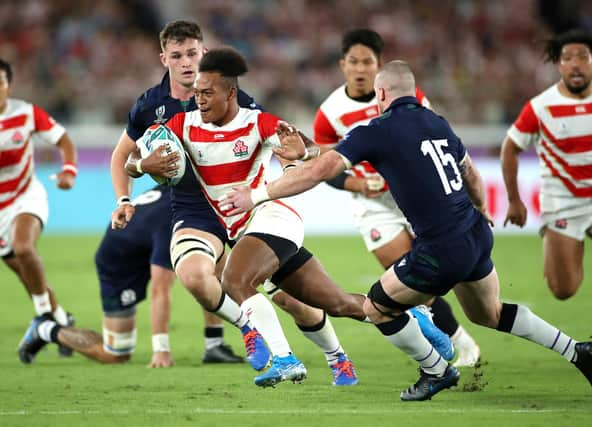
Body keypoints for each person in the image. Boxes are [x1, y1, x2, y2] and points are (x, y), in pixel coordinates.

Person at [221, 60, 592, 400]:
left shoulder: (378, 129)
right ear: (414, 93)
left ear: (381, 94)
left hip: (440, 248)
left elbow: (323, 172)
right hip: (476, 234)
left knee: (377, 307)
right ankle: (577, 351)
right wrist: (480, 209)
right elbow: (472, 176)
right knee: (489, 313)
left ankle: (435, 370)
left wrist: (257, 194)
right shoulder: (437, 122)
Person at [108, 22, 367, 386]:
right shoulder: (151, 105)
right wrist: (127, 193)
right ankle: (252, 330)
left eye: (193, 54)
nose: (186, 62)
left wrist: (293, 164)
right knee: (196, 276)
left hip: (246, 208)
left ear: (204, 54)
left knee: (296, 300)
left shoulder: (236, 101)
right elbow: (124, 158)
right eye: (178, 55)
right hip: (194, 210)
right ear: (164, 58)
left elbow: (286, 142)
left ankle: (336, 356)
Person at [313, 28, 480, 367]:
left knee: (445, 271)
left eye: (368, 62)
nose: (361, 69)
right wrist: (359, 186)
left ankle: (452, 342)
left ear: (378, 65)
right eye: (354, 62)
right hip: (375, 207)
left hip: (421, 196)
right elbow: (326, 168)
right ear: (343, 64)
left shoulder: (405, 97)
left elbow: (431, 134)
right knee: (414, 277)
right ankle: (461, 345)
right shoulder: (329, 112)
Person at [27, 185, 245, 366]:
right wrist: (161, 350)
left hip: (144, 243)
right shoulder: (175, 220)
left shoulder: (190, 192)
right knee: (115, 354)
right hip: (119, 262)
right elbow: (160, 288)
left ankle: (214, 345)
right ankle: (46, 329)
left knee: (212, 260)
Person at [0, 57, 77, 363]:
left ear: (9, 86)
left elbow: (62, 139)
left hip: (27, 195)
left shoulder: (26, 113)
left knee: (24, 247)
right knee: (27, 274)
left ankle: (43, 317)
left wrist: (69, 171)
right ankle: (61, 320)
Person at [501, 29, 592, 300]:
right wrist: (514, 201)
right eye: (567, 58)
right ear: (558, 64)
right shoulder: (541, 106)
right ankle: (561, 245)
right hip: (562, 201)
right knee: (563, 290)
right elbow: (509, 149)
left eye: (583, 57)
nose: (575, 64)